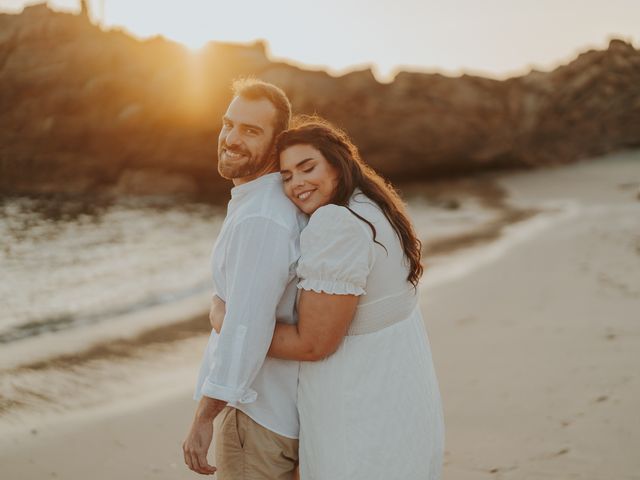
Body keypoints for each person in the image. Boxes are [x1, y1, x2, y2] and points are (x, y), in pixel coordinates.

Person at [212, 117, 445, 479]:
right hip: (399, 390)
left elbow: (312, 344)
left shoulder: (336, 223)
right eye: (286, 177)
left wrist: (230, 322)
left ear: (337, 164)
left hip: (359, 401)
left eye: (308, 168)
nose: (298, 184)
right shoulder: (374, 206)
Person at [182, 78, 306, 479]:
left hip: (256, 415)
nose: (231, 139)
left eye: (251, 131)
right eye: (228, 124)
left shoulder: (262, 218)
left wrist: (205, 416)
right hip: (270, 411)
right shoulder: (260, 202)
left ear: (277, 142)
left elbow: (246, 329)